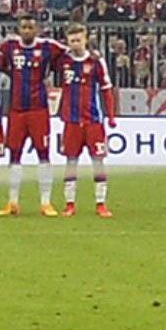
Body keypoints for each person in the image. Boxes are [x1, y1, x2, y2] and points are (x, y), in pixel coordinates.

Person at [0, 14, 66, 216]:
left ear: (37, 29)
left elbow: (69, 54)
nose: (27, 30)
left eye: (31, 27)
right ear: (18, 29)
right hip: (16, 111)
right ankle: (12, 202)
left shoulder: (48, 46)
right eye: (24, 27)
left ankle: (45, 202)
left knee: (43, 155)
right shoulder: (9, 47)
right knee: (14, 156)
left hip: (38, 109)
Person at [55, 22, 118, 218]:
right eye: (72, 40)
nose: (75, 43)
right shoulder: (63, 61)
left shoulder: (96, 62)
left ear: (85, 39)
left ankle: (101, 203)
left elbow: (107, 90)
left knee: (98, 161)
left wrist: (111, 116)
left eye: (78, 39)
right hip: (71, 121)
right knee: (71, 162)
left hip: (93, 121)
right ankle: (69, 203)